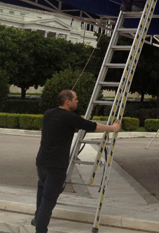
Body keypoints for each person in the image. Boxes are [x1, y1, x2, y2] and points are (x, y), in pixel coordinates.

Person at [33, 90, 121, 233]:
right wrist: (112, 128)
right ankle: (40, 229)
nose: (77, 101)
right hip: (56, 166)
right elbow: (93, 126)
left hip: (41, 162)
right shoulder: (69, 117)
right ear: (68, 101)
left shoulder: (48, 113)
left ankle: (37, 219)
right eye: (75, 98)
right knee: (49, 199)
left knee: (42, 192)